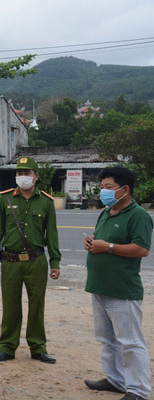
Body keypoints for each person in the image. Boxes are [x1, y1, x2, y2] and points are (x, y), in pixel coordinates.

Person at [83, 167, 152, 400]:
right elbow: (103, 240)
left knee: (130, 342)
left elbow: (141, 249)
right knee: (106, 339)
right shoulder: (106, 212)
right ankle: (116, 380)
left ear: (125, 189)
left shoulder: (138, 215)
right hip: (99, 287)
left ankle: (139, 390)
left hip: (122, 290)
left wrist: (108, 247)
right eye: (102, 187)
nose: (103, 191)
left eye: (108, 187)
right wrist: (93, 243)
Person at [0, 156, 61, 364]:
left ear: (36, 176)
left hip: (36, 262)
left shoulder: (46, 201)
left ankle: (38, 347)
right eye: (19, 173)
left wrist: (55, 262)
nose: (22, 176)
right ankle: (7, 347)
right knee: (11, 306)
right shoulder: (5, 199)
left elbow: (52, 235)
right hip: (10, 261)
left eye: (27, 173)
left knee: (37, 305)